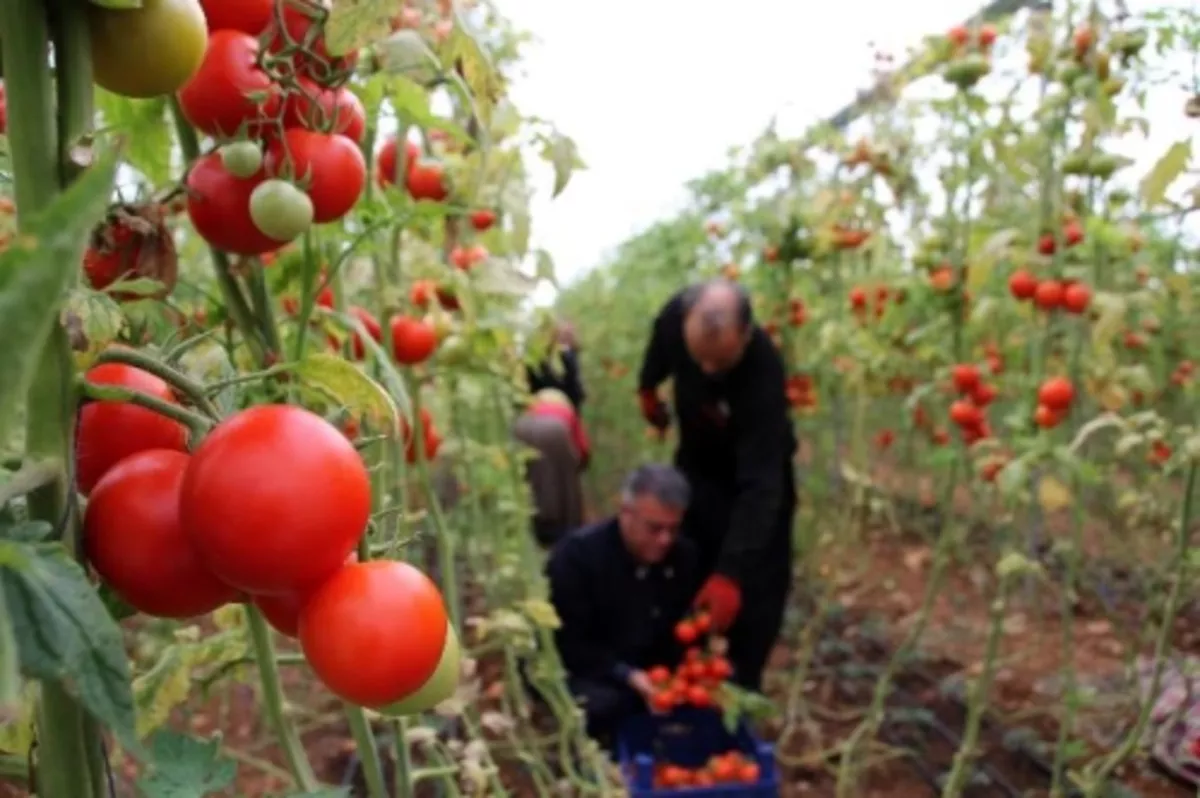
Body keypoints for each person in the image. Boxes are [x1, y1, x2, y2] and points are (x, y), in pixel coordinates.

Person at [635, 279, 797, 692]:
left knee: (756, 590)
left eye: (720, 364)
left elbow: (762, 486)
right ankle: (677, 681)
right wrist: (648, 388)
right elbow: (656, 355)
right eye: (698, 360)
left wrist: (731, 573)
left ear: (745, 335)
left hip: (752, 479)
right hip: (697, 468)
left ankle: (740, 691)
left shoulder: (763, 374)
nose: (707, 372)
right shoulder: (675, 318)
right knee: (683, 566)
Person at [546, 464, 697, 745]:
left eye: (673, 529)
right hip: (591, 668)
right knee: (604, 704)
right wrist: (626, 674)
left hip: (650, 671)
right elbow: (568, 644)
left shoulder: (682, 557)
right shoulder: (577, 558)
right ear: (625, 513)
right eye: (654, 528)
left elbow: (678, 628)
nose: (665, 540)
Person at [513, 388, 590, 548]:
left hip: (522, 429)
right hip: (557, 431)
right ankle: (565, 530)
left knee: (533, 479)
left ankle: (535, 524)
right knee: (564, 484)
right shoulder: (567, 412)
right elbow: (582, 450)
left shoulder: (529, 411)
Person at [526, 321, 586, 412]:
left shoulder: (538, 357)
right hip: (556, 407)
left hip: (546, 406)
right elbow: (575, 388)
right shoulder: (565, 356)